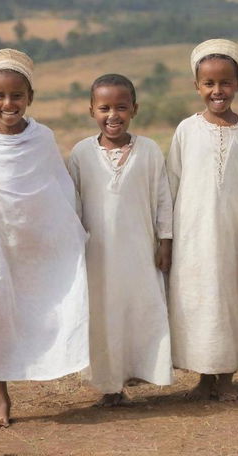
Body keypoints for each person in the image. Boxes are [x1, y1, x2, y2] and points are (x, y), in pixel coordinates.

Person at [0, 48, 89, 428]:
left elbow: (59, 185)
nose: (8, 103)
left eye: (17, 95)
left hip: (37, 244)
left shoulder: (43, 138)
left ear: (30, 98)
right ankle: (1, 395)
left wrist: (70, 230)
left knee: (43, 309)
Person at [167, 39, 238, 401]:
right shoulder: (186, 130)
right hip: (193, 237)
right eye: (209, 83)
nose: (217, 90)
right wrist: (167, 237)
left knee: (232, 303)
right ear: (197, 86)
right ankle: (204, 377)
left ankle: (226, 378)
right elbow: (171, 185)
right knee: (198, 302)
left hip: (236, 236)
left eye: (225, 83)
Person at [68, 74, 173, 407]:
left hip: (140, 252)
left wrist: (165, 241)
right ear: (91, 111)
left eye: (121, 107)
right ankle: (111, 385)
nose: (113, 114)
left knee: (141, 309)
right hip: (97, 255)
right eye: (104, 108)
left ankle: (142, 370)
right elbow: (73, 204)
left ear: (134, 109)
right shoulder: (81, 153)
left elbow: (162, 199)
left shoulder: (150, 150)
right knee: (105, 316)